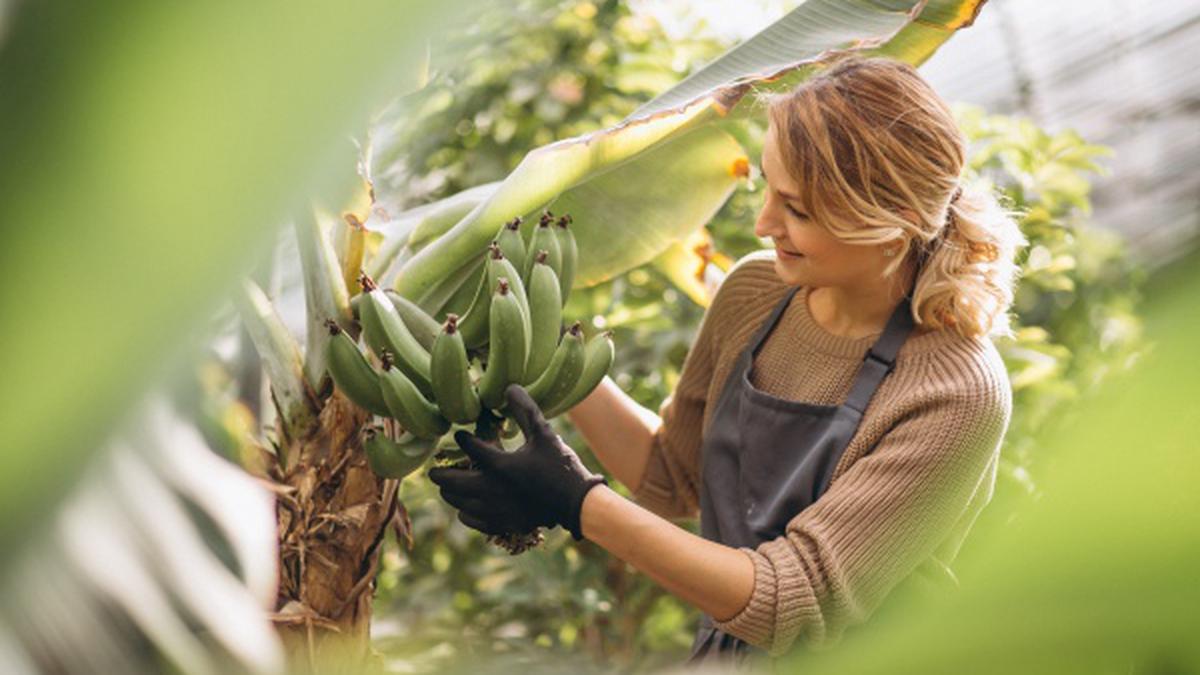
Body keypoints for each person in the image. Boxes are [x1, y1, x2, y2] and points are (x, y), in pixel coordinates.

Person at [428, 54, 1026, 670]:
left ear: (890, 229)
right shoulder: (758, 295)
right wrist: (538, 348)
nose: (766, 222)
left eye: (798, 210)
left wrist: (578, 502)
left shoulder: (956, 393)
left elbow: (791, 601)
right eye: (769, 187)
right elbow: (673, 475)